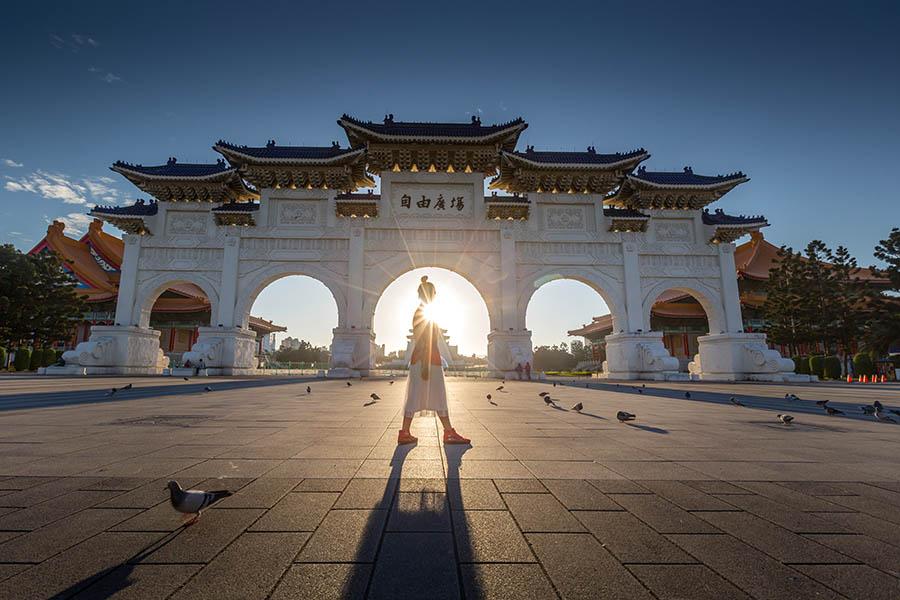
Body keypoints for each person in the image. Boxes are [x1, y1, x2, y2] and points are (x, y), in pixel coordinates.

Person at [398, 276, 470, 445]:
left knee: (415, 396)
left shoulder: (420, 312)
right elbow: (423, 339)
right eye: (434, 293)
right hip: (428, 360)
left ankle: (405, 432)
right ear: (431, 294)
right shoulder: (425, 313)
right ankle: (448, 432)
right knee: (438, 396)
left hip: (421, 359)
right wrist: (425, 364)